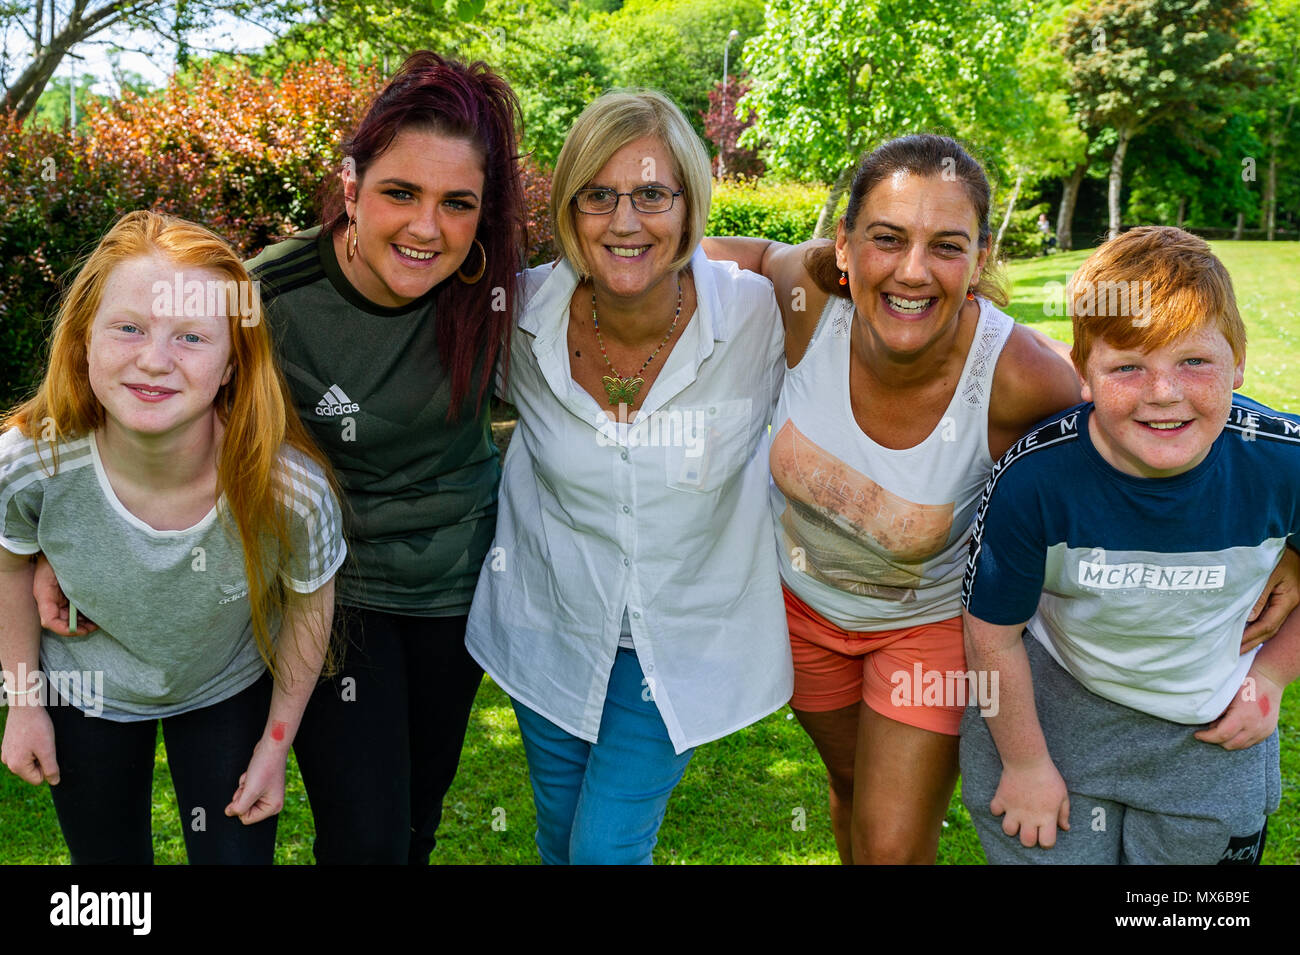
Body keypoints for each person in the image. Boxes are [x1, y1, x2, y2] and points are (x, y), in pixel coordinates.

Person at [702, 134, 1297, 865]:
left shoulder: (1026, 379)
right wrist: (625, 257)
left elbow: (1157, 421)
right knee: (852, 787)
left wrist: (1289, 548)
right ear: (846, 247)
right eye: (887, 238)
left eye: (946, 245)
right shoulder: (806, 303)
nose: (912, 270)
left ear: (980, 259)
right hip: (799, 611)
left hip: (929, 625)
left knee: (890, 842)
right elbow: (749, 258)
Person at [35, 52, 527, 864]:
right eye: (400, 192)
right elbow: (138, 393)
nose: (426, 227)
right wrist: (65, 542)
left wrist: (788, 264)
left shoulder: (500, 293)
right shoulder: (266, 296)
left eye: (458, 203)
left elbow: (641, 269)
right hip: (329, 591)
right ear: (350, 187)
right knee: (364, 835)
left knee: (414, 826)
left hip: (453, 586)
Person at [464, 89, 792, 865]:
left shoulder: (756, 316)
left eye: (652, 194)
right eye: (598, 196)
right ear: (571, 208)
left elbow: (883, 315)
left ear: (689, 203)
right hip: (546, 626)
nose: (624, 221)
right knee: (559, 841)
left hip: (678, 640)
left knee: (606, 849)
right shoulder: (522, 312)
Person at [0, 210, 343, 864]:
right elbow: (8, 567)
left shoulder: (289, 492)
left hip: (222, 684)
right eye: (128, 327)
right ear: (83, 342)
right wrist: (23, 705)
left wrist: (275, 745)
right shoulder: (28, 464)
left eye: (190, 336)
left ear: (232, 364)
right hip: (86, 687)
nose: (154, 361)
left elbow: (309, 607)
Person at [961, 226, 1300, 864]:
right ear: (1082, 374)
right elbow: (990, 635)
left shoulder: (1284, 463)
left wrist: (1273, 678)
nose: (1163, 394)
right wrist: (1026, 763)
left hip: (1208, 733)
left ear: (1240, 361)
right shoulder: (1033, 481)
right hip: (1053, 712)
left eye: (1195, 361)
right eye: (1128, 367)